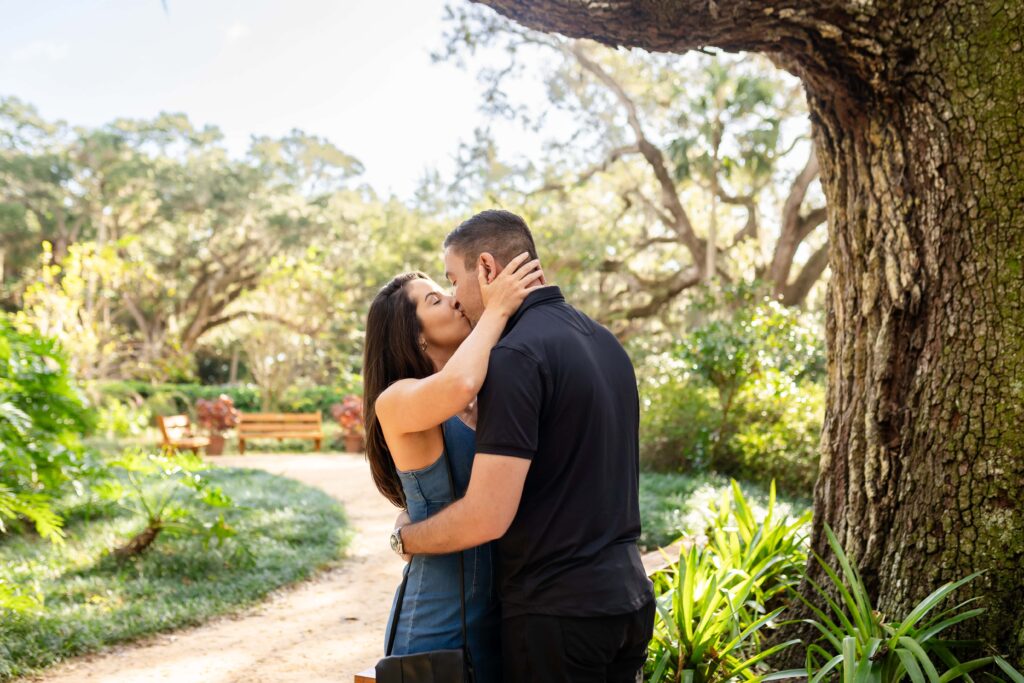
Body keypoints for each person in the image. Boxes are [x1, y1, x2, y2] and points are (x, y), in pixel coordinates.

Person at [393, 209, 655, 682]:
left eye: (454, 279)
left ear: (488, 269)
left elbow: (487, 515)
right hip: (628, 602)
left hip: (559, 614)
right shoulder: (605, 342)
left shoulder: (516, 356)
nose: (454, 297)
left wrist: (405, 537)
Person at [363, 252, 544, 683]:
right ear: (415, 337)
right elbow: (457, 384)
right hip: (434, 630)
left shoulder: (479, 393)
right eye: (434, 300)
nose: (454, 300)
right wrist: (497, 308)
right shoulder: (397, 399)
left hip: (495, 622)